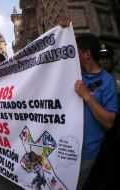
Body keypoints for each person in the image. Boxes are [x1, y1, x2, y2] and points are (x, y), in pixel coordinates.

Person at [73, 34, 118, 190]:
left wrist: (86, 95)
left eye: (77, 51)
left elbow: (109, 121)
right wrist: (62, 30)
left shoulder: (107, 81)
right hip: (69, 149)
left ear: (86, 54)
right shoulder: (76, 74)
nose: (74, 55)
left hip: (88, 154)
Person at [84, 43, 120, 189]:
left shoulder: (114, 78)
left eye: (107, 57)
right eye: (102, 57)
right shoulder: (91, 78)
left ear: (113, 59)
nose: (105, 61)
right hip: (99, 136)